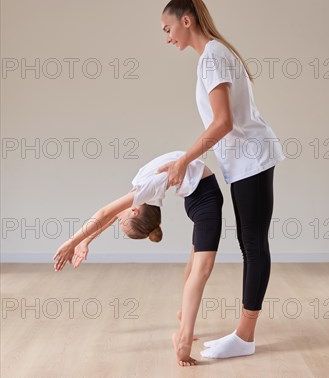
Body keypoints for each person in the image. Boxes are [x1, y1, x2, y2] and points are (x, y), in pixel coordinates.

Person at [158, 0, 286, 359]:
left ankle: (245, 337)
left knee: (254, 243)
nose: (167, 37)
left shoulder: (212, 56)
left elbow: (224, 122)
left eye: (168, 28)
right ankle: (243, 335)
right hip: (247, 160)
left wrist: (184, 160)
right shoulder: (213, 54)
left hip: (252, 159)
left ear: (187, 21)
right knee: (250, 243)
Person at [53, 151, 223, 366]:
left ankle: (184, 326)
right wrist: (85, 242)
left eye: (122, 223)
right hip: (203, 197)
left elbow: (106, 213)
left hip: (201, 197)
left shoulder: (145, 190)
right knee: (201, 267)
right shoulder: (144, 194)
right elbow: (111, 215)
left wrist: (72, 241)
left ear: (133, 212)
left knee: (199, 267)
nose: (119, 220)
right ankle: (184, 335)